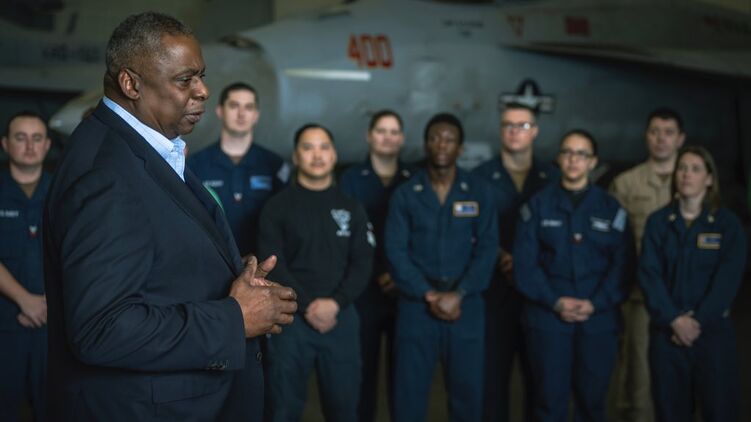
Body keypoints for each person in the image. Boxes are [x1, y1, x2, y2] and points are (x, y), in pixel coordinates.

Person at [42, 12, 297, 421]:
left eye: (201, 76)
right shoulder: (107, 175)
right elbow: (101, 329)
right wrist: (234, 318)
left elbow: (156, 262)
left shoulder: (144, 149)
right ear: (131, 84)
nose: (203, 91)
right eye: (185, 80)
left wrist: (229, 276)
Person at [385, 112, 498, 422]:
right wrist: (429, 294)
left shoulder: (479, 192)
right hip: (416, 307)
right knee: (408, 396)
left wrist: (459, 293)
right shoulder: (406, 194)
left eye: (449, 139)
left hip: (466, 306)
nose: (441, 145)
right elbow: (395, 251)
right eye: (435, 138)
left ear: (460, 147)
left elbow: (488, 249)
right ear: (426, 144)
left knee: (467, 397)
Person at [257, 124, 374, 422]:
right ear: (296, 156)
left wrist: (335, 303)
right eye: (308, 148)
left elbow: (362, 263)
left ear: (334, 155)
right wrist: (308, 305)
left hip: (341, 317)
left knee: (344, 410)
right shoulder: (276, 207)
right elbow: (274, 264)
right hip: (290, 320)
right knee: (283, 410)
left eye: (324, 147)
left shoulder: (352, 208)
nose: (317, 155)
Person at [514, 130, 630, 422]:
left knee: (592, 403)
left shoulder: (611, 209)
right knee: (548, 402)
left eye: (581, 154)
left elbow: (623, 266)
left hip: (598, 320)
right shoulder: (537, 206)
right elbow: (525, 267)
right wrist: (554, 301)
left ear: (593, 162)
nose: (573, 159)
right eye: (567, 152)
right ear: (558, 159)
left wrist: (596, 303)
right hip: (548, 318)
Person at [639, 146, 746, 422]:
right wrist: (674, 320)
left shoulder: (727, 225)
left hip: (712, 335)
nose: (686, 174)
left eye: (695, 169)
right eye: (682, 168)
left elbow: (727, 281)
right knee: (670, 413)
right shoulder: (658, 223)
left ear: (709, 179)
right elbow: (649, 275)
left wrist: (696, 322)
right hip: (667, 335)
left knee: (720, 411)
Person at [472, 102, 558, 422]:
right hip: (495, 292)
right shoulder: (480, 178)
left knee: (542, 381)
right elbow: (472, 231)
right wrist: (502, 257)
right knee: (492, 381)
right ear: (500, 131)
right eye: (508, 125)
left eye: (522, 125)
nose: (514, 131)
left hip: (540, 293)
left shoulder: (552, 177)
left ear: (535, 131)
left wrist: (525, 263)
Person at [609, 107, 685, 422]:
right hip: (639, 299)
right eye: (655, 132)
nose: (661, 139)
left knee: (682, 376)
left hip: (684, 299)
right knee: (637, 377)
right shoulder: (626, 184)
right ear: (646, 137)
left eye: (668, 132)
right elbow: (613, 245)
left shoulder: (693, 180)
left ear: (680, 138)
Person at [339, 109, 411, 422]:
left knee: (405, 377)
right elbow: (348, 236)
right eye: (381, 131)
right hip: (364, 290)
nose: (387, 138)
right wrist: (380, 272)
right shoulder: (351, 179)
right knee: (362, 374)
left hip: (405, 289)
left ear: (402, 139)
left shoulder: (414, 180)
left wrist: (399, 274)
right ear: (369, 136)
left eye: (394, 132)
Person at [188, 82, 289, 255]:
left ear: (256, 115)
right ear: (220, 111)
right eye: (234, 106)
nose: (241, 114)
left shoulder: (275, 165)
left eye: (248, 107)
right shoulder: (194, 165)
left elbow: (287, 221)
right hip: (211, 261)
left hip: (264, 263)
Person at [0, 111, 52, 422]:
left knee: (54, 409)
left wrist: (48, 304)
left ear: (47, 145)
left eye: (36, 138)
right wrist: (24, 299)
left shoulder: (64, 191)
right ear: (6, 144)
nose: (30, 146)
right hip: (5, 326)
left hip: (54, 325)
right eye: (21, 138)